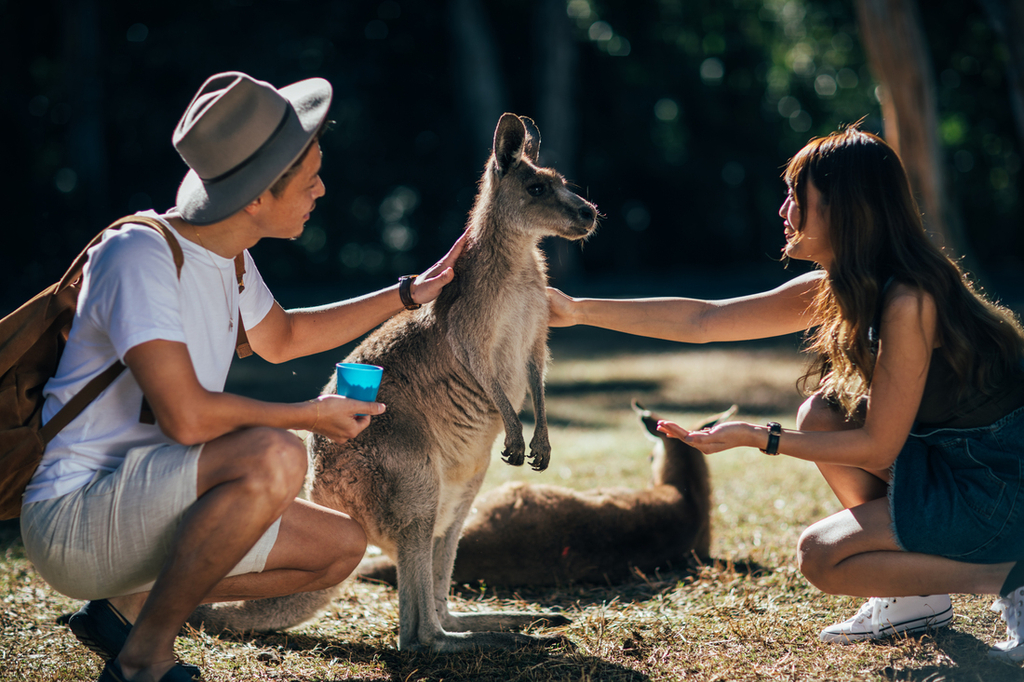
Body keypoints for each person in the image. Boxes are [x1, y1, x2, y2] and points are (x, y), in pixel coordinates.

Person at [19, 71, 465, 682]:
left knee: (339, 549)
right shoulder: (139, 255)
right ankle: (144, 659)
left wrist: (410, 293)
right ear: (257, 197)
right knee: (277, 456)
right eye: (310, 180)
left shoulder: (228, 259)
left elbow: (285, 338)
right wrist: (310, 417)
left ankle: (121, 611)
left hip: (152, 501)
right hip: (77, 515)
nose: (322, 189)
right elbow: (187, 416)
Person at [547, 124, 1024, 660]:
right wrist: (577, 310)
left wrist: (759, 436)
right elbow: (706, 319)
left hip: (1001, 485)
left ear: (845, 208)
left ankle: (1011, 576)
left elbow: (877, 448)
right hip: (958, 466)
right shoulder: (844, 286)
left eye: (798, 196)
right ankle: (916, 596)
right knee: (822, 412)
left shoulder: (908, 300)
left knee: (821, 557)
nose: (784, 211)